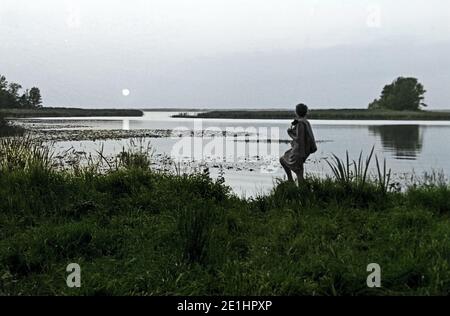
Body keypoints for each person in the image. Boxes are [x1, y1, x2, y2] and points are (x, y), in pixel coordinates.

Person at [279, 103, 317, 184]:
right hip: (304, 151)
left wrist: (290, 133)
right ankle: (295, 185)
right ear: (306, 112)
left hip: (299, 151)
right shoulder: (306, 122)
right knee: (298, 172)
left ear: (296, 112)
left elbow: (299, 139)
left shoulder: (300, 123)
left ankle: (291, 181)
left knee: (283, 160)